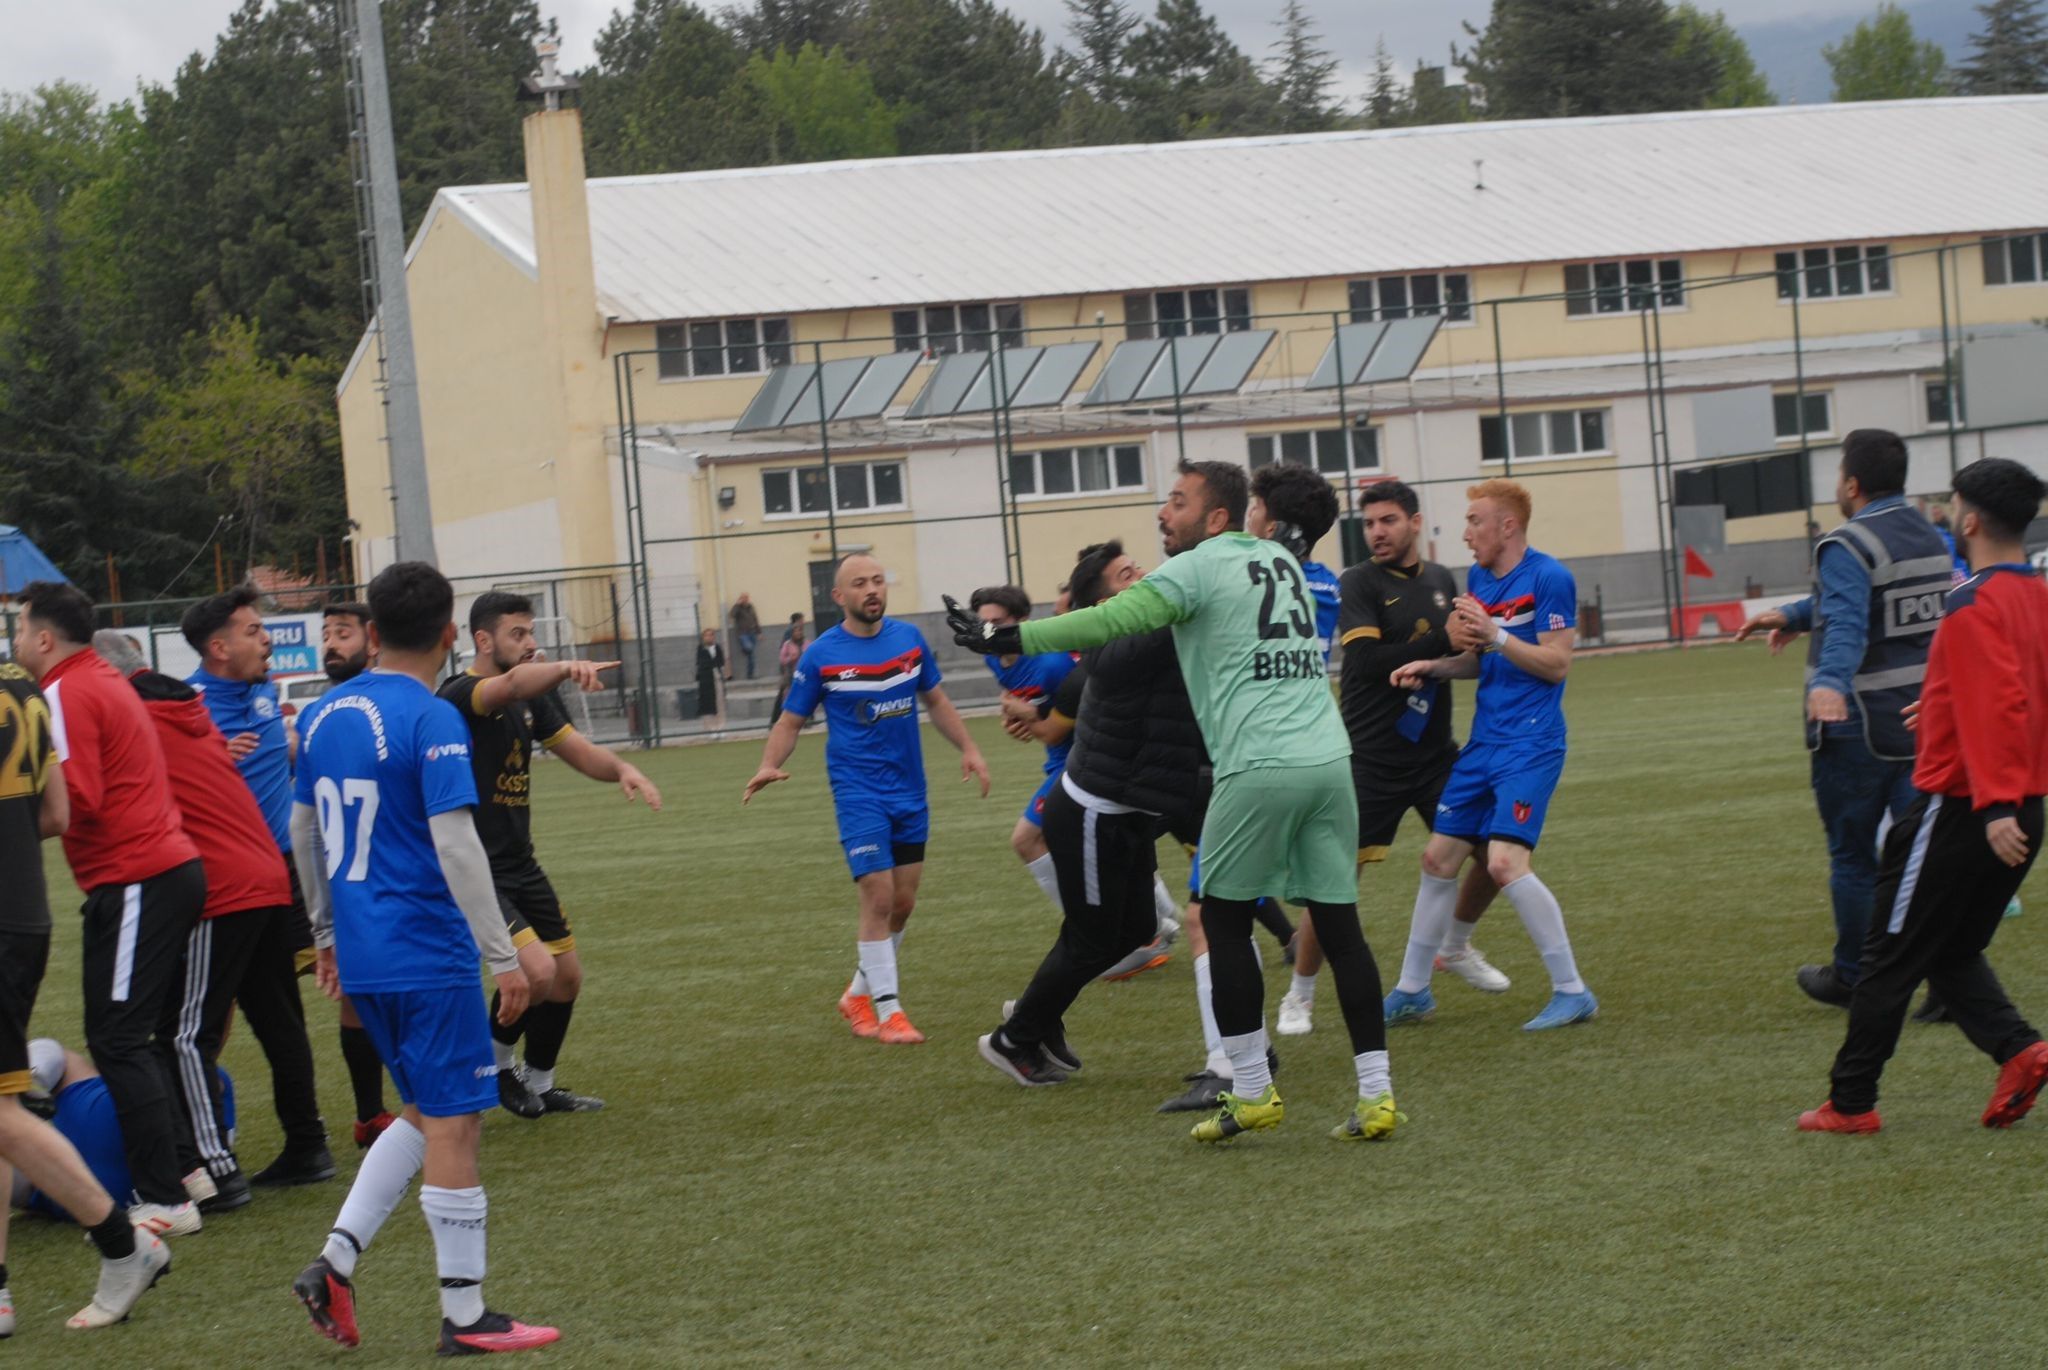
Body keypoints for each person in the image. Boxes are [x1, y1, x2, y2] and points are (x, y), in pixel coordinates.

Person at [954, 461, 1401, 1144]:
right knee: (1339, 926)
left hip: (1259, 764)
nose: (1166, 510)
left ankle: (1249, 1089)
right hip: (1329, 757)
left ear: (1221, 518)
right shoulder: (1284, 565)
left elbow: (1109, 621)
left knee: (1217, 919)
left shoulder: (1202, 565)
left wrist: (1006, 637)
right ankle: (1377, 1097)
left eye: (1179, 500)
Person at [288, 561, 558, 1355]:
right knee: (457, 1126)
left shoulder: (325, 711)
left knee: (426, 1108)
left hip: (366, 955)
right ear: (449, 636)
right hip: (426, 952)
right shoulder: (431, 718)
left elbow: (302, 831)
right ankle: (466, 1315)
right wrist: (502, 956)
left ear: (370, 632)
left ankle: (334, 1263)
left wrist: (325, 935)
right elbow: (456, 844)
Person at [1799, 458, 2048, 1134]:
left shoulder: (1971, 603)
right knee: (1952, 949)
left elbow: (1998, 706)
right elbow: (2017, 694)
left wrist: (1993, 804)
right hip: (2029, 806)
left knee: (1887, 958)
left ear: (1967, 520)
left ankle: (1851, 1103)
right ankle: (2021, 1050)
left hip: (1967, 808)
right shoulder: (2036, 596)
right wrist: (1941, 712)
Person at [12, 581, 207, 1235]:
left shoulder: (66, 690)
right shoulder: (97, 677)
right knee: (129, 1038)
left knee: (118, 1039)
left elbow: (78, 801)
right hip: (153, 874)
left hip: (137, 877)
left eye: (17, 628)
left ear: (44, 638)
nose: (12, 642)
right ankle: (187, 1173)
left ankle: (167, 1200)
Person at [976, 542, 1207, 1088]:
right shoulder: (1120, 647)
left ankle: (1036, 1017)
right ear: (1106, 603)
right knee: (1094, 937)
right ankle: (1015, 1039)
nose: (1145, 577)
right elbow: (1064, 714)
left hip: (1130, 807)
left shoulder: (1139, 637)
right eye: (1127, 575)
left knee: (1136, 928)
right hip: (1091, 810)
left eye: (1138, 567)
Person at [1735, 431, 1952, 1008]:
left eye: (1838, 474)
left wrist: (1829, 683)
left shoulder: (1846, 542)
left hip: (1857, 728)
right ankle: (1946, 981)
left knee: (1854, 857)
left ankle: (1854, 975)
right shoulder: (1931, 536)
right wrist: (1794, 614)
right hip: (1921, 723)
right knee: (1918, 859)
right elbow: (1870, 606)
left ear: (1852, 485)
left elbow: (1851, 623)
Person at [1281, 479, 1502, 1038]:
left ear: (1414, 522)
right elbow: (1363, 661)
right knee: (1334, 885)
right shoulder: (1358, 581)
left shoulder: (1441, 578)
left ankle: (1453, 946)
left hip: (1435, 759)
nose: (1376, 532)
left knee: (1499, 856)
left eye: (1387, 521)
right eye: (1369, 523)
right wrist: (1439, 645)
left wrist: (1473, 641)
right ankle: (1299, 996)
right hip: (1369, 761)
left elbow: (1462, 649)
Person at [744, 554, 991, 1045]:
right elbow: (791, 720)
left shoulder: (909, 640)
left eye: (878, 580)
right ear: (840, 597)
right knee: (877, 895)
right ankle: (889, 1011)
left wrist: (969, 748)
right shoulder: (821, 654)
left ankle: (857, 993)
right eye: (860, 584)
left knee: (902, 903)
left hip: (910, 790)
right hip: (858, 791)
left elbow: (936, 700)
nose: (872, 589)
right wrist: (768, 763)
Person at [1382, 480, 1597, 1032]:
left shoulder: (1550, 578)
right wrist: (1434, 667)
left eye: (1476, 520)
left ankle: (1572, 991)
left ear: (1508, 526)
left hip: (1531, 743)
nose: (1465, 531)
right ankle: (1412, 990)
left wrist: (1497, 635)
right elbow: (1484, 660)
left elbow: (1555, 664)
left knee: (1503, 863)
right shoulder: (1479, 578)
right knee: (1437, 860)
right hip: (1484, 743)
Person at [439, 591, 662, 1117]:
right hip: (478, 867)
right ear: (482, 639)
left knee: (566, 976)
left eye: (531, 632)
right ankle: (495, 1070)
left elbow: (578, 751)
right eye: (518, 634)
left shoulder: (530, 697)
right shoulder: (461, 692)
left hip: (520, 861)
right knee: (535, 971)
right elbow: (512, 683)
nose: (531, 642)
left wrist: (622, 770)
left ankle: (540, 1083)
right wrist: (564, 667)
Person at [93, 631, 292, 1217]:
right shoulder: (181, 706)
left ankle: (212, 1167)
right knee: (255, 1021)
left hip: (222, 882)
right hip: (257, 871)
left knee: (183, 1034)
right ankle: (273, 1148)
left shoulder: (137, 716)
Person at [0, 659, 171, 1334]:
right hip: (23, 917)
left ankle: (125, 1245)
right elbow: (56, 811)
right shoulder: (21, 683)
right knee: (3, 1104)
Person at [180, 586, 331, 1187]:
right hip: (217, 885)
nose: (266, 639)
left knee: (257, 1020)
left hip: (269, 883)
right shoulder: (187, 710)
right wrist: (211, 755)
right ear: (218, 648)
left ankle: (240, 1158)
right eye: (252, 631)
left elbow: (282, 755)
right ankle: (221, 1146)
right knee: (209, 1024)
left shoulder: (265, 695)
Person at [972, 582, 1180, 979]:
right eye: (985, 625)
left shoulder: (1052, 665)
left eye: (999, 624)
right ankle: (1154, 921)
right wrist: (1018, 720)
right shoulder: (996, 659)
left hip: (1087, 760)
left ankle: (1102, 934)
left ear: (1021, 623)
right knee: (1112, 848)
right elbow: (1034, 712)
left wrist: (1030, 718)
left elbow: (1087, 707)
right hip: (1062, 760)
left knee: (1028, 840)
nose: (991, 633)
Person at [319, 602, 396, 1146]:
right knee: (357, 991)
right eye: (325, 634)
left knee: (369, 992)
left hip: (379, 869)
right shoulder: (324, 710)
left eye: (341, 633)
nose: (330, 643)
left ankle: (375, 1115)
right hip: (333, 877)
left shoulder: (386, 701)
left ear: (372, 641)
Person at [772, 615, 806, 718]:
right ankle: (779, 718)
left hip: (804, 673)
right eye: (796, 631)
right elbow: (782, 659)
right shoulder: (788, 644)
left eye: (800, 631)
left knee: (804, 696)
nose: (798, 633)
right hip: (790, 674)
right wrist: (791, 658)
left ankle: (806, 718)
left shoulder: (806, 643)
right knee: (786, 696)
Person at [695, 628, 726, 720]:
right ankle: (711, 729)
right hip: (706, 679)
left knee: (719, 701)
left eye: (711, 635)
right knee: (708, 703)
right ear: (703, 637)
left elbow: (721, 662)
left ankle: (720, 727)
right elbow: (702, 662)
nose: (709, 637)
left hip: (717, 677)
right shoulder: (701, 648)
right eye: (706, 635)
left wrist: (714, 664)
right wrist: (713, 662)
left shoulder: (717, 647)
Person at [730, 593, 761, 679]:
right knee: (750, 649)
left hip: (752, 632)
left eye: (746, 598)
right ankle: (745, 649)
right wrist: (737, 604)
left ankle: (750, 674)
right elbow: (732, 615)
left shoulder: (751, 607)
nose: (745, 599)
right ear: (740, 599)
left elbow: (755, 619)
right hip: (742, 633)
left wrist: (759, 632)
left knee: (751, 654)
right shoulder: (737, 608)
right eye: (742, 598)